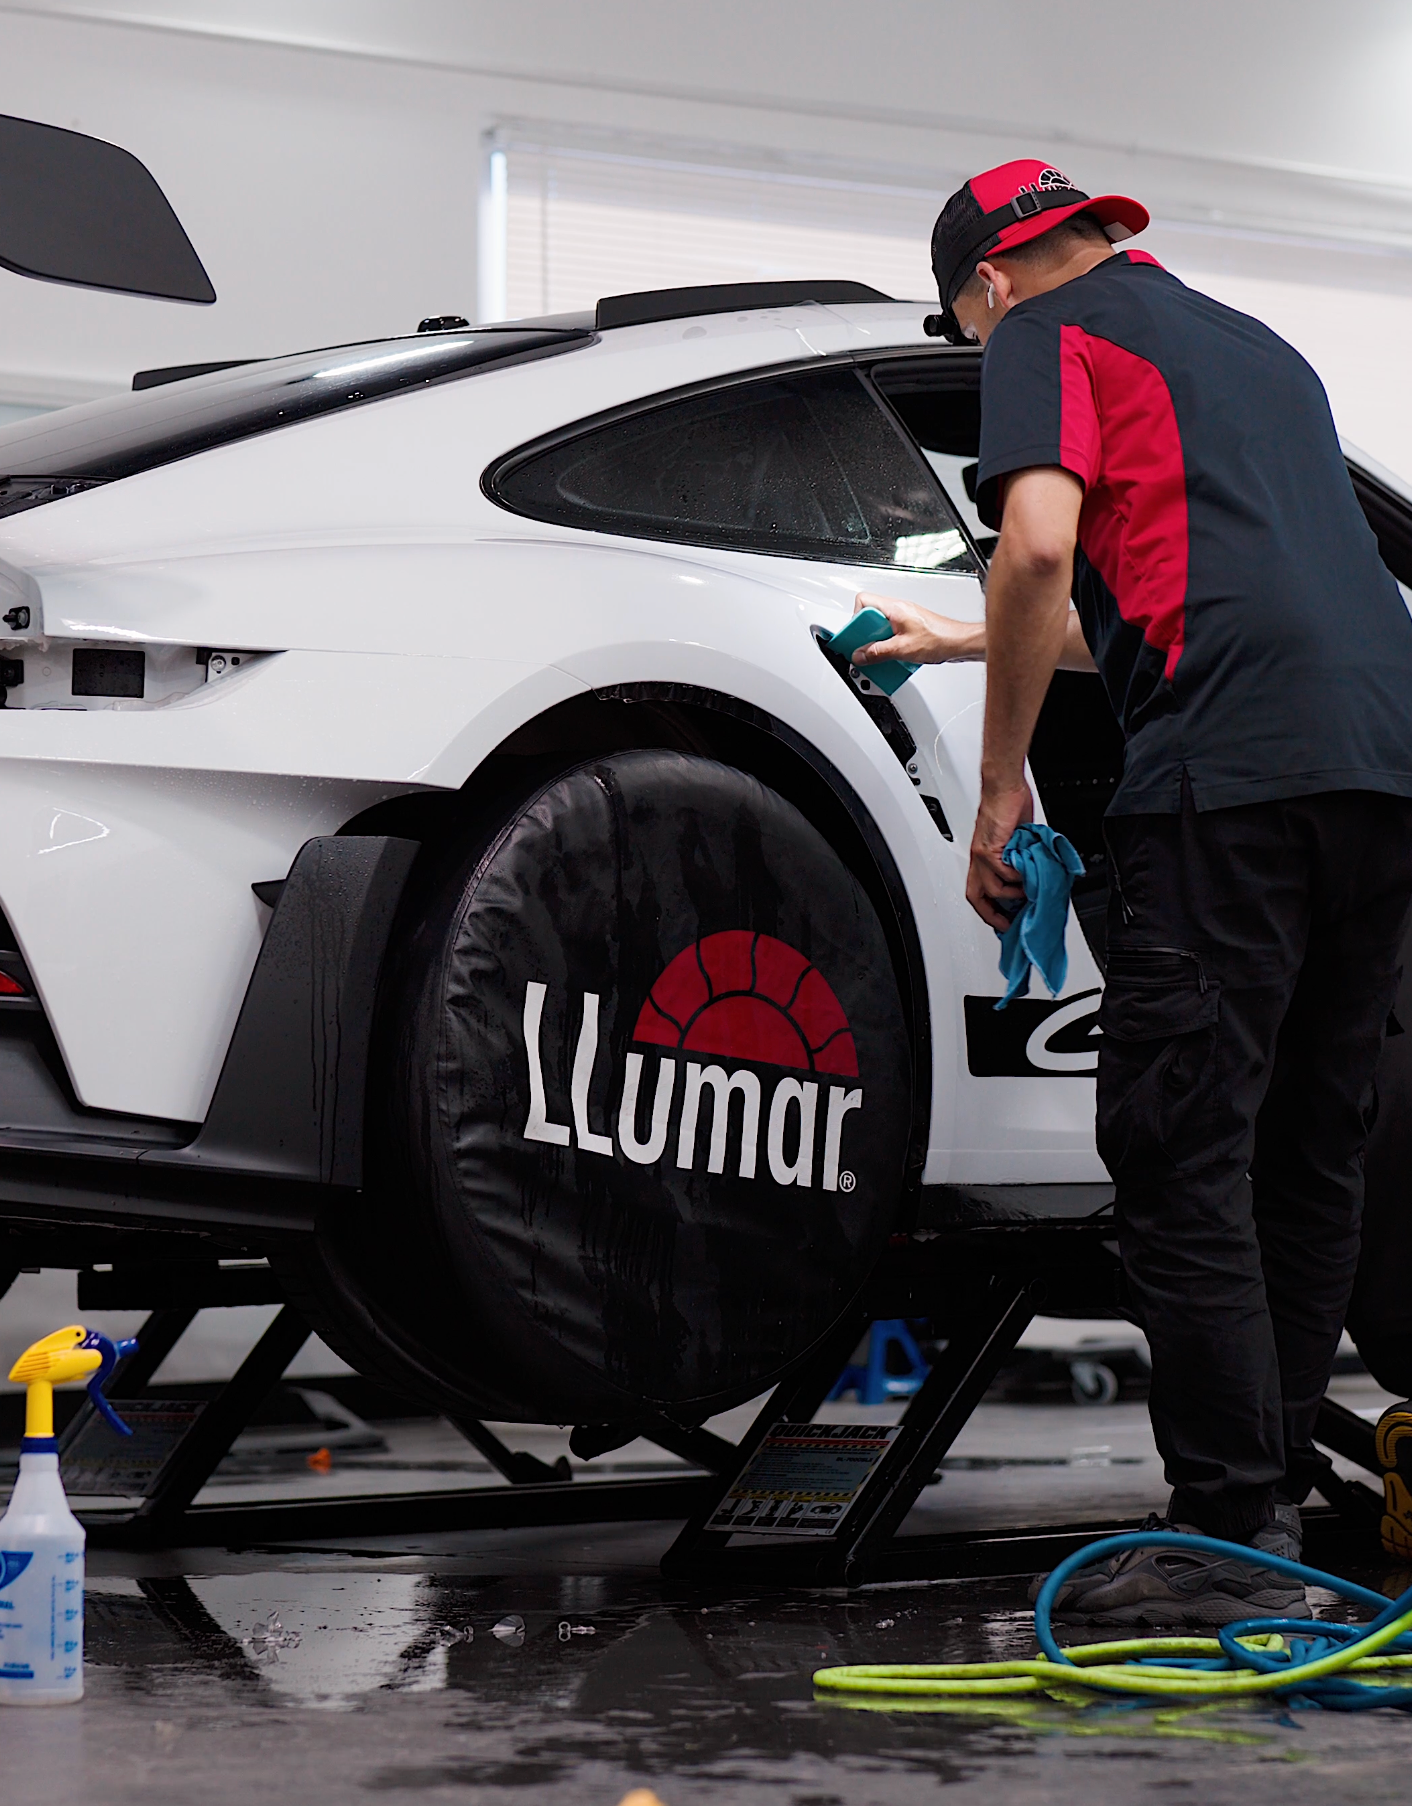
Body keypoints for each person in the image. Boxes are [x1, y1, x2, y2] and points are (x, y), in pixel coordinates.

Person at [855, 158, 1412, 1623]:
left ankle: (1223, 1533)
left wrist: (1000, 788)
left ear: (989, 281)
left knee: (1180, 1148)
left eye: (965, 327)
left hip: (1225, 782)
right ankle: (1267, 1524)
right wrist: (967, 638)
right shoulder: (1258, 349)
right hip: (1381, 772)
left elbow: (1039, 543)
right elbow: (1174, 597)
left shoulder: (1044, 331)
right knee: (1308, 1152)